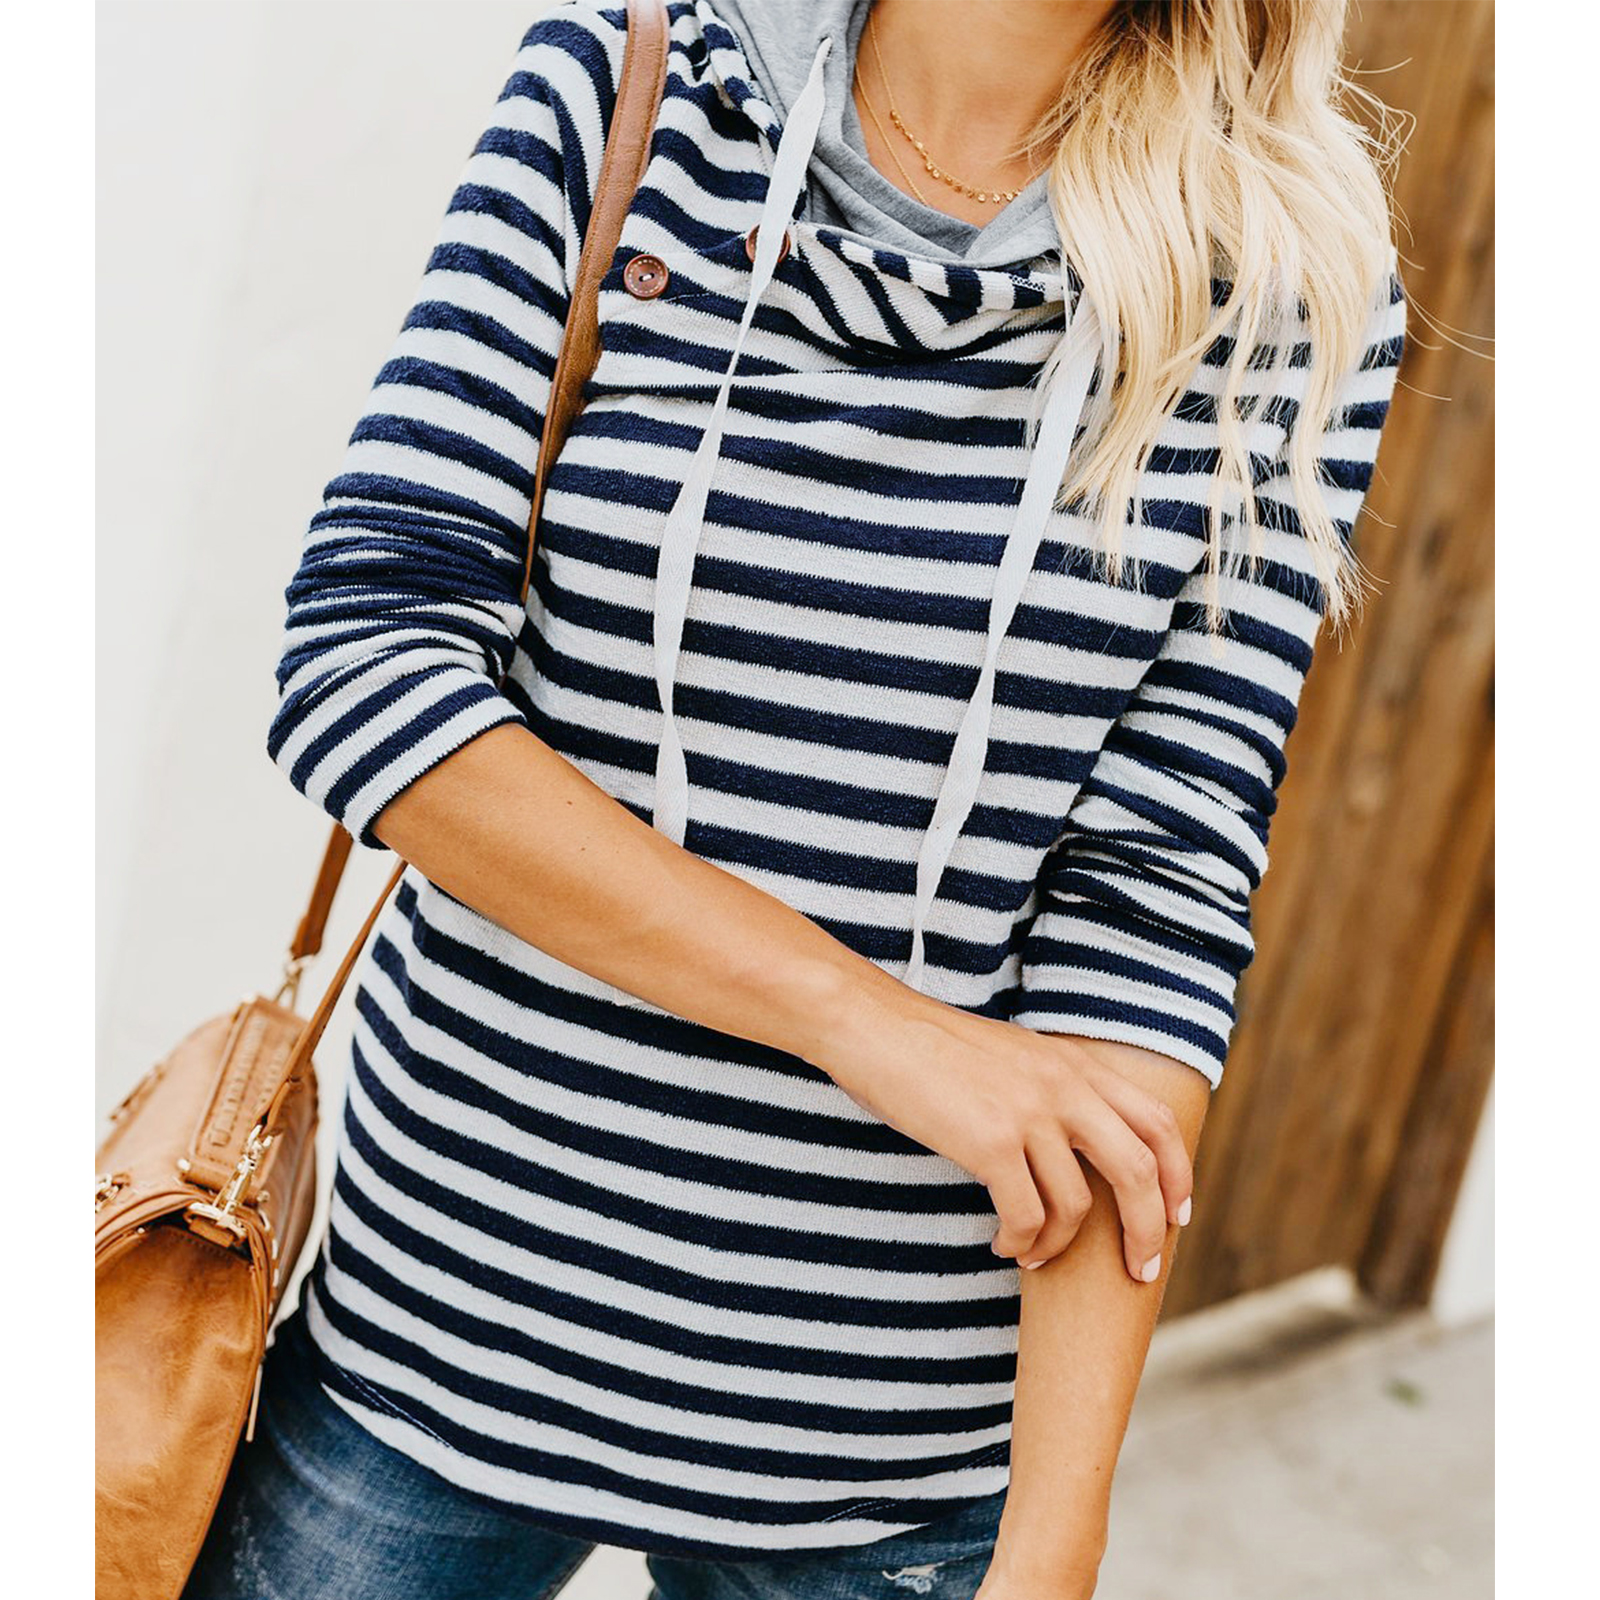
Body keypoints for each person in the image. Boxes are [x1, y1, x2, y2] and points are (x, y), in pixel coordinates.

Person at [185, 0, 1408, 1595]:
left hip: (892, 1456)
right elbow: (366, 663)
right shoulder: (631, 91)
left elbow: (1154, 900)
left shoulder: (1290, 274)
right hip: (445, 1336)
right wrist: (865, 1023)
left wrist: (1055, 1535)